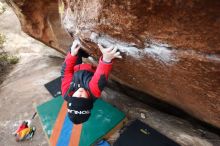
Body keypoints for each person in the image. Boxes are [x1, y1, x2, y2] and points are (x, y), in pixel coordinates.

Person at [61, 40, 122, 124]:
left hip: (76, 70)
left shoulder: (66, 92)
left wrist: (72, 54)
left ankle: (82, 53)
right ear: (89, 101)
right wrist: (106, 59)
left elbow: (65, 72)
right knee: (103, 57)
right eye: (82, 98)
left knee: (74, 48)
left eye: (75, 97)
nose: (79, 94)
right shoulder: (94, 91)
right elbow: (101, 76)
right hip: (90, 72)